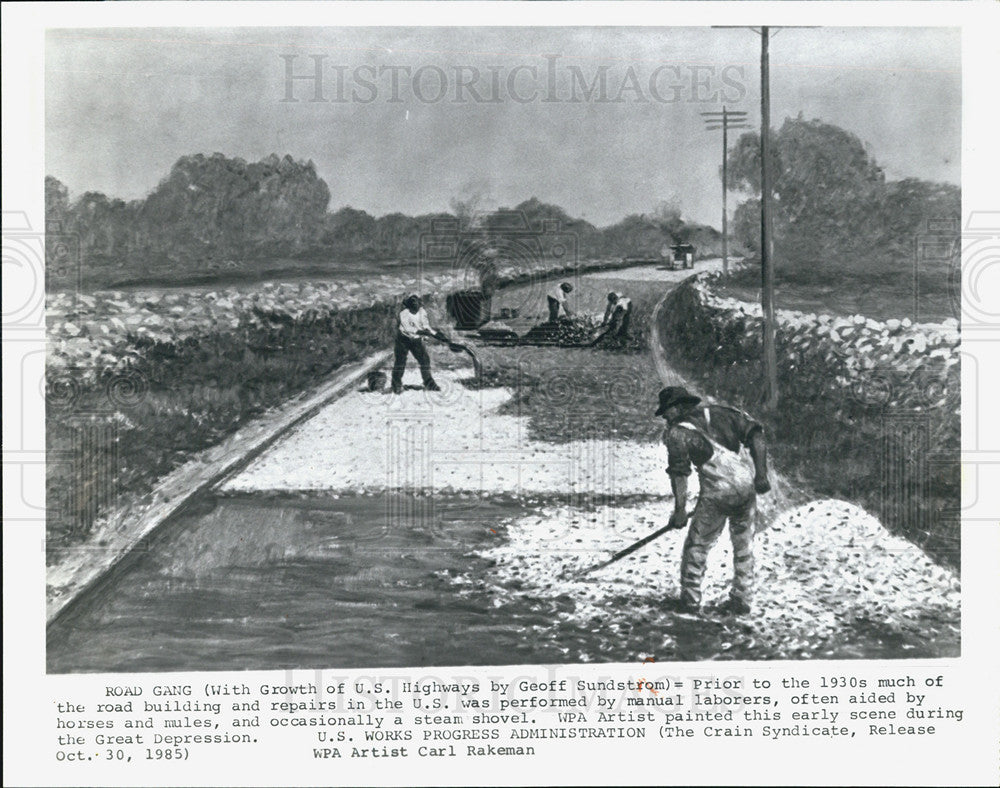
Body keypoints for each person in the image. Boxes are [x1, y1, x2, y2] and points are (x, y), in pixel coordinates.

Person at [655, 386, 771, 615]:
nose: (665, 417)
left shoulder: (677, 434)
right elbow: (757, 435)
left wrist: (680, 510)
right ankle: (742, 598)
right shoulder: (723, 414)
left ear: (677, 408)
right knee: (743, 544)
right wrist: (761, 474)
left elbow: (680, 473)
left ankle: (690, 600)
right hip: (746, 485)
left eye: (666, 411)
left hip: (717, 491)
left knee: (697, 545)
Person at [391, 294, 444, 394]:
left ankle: (429, 383)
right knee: (400, 361)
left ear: (419, 304)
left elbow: (426, 326)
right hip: (403, 339)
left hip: (416, 340)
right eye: (413, 303)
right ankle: (396, 384)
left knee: (424, 360)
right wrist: (423, 333)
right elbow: (408, 328)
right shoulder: (404, 313)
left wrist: (436, 334)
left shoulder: (422, 312)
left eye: (417, 302)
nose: (415, 305)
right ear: (409, 305)